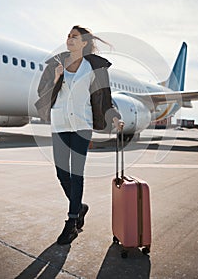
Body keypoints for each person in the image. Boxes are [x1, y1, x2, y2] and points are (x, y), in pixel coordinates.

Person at [35, 25, 124, 245]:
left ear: (84, 43)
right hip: (60, 124)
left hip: (82, 125)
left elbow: (104, 97)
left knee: (76, 174)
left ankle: (72, 222)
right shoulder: (56, 65)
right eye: (68, 36)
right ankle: (80, 206)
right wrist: (56, 78)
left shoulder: (94, 68)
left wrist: (114, 116)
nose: (69, 39)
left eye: (74, 37)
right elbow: (42, 93)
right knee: (61, 173)